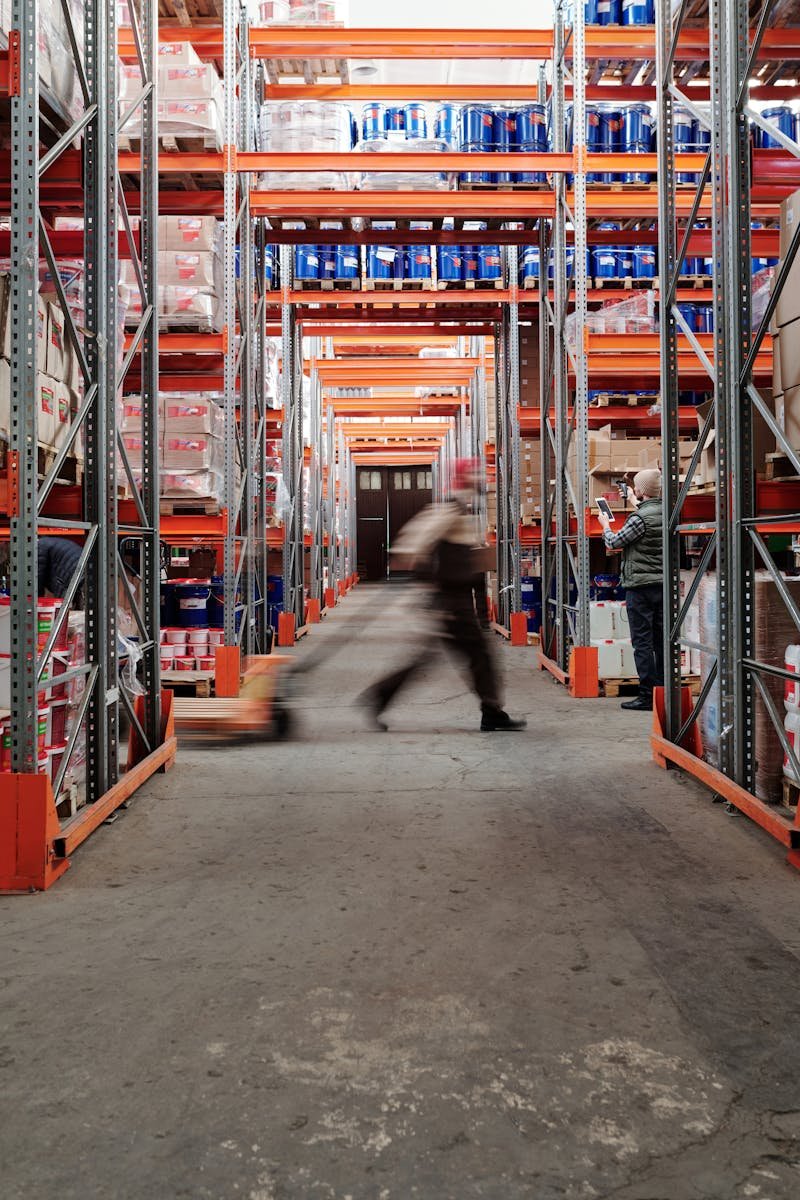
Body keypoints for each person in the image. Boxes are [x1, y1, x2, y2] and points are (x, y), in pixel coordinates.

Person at [359, 459, 526, 733]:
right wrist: (406, 556)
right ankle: (491, 711)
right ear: (464, 478)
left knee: (454, 656)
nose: (481, 478)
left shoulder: (467, 508)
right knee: (477, 655)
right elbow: (420, 532)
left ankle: (381, 697)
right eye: (475, 474)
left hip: (455, 600)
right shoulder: (453, 506)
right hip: (450, 602)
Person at [596, 467, 663, 712]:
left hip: (641, 588)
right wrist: (637, 501)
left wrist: (605, 525)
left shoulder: (639, 519)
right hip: (662, 587)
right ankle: (663, 692)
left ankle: (646, 696)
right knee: (661, 641)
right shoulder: (667, 512)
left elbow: (614, 543)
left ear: (642, 490)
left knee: (642, 642)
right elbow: (649, 517)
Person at [37, 536, 84, 606]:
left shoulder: (39, 547)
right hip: (81, 567)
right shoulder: (48, 542)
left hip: (70, 572)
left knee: (63, 609)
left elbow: (37, 577)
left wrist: (37, 602)